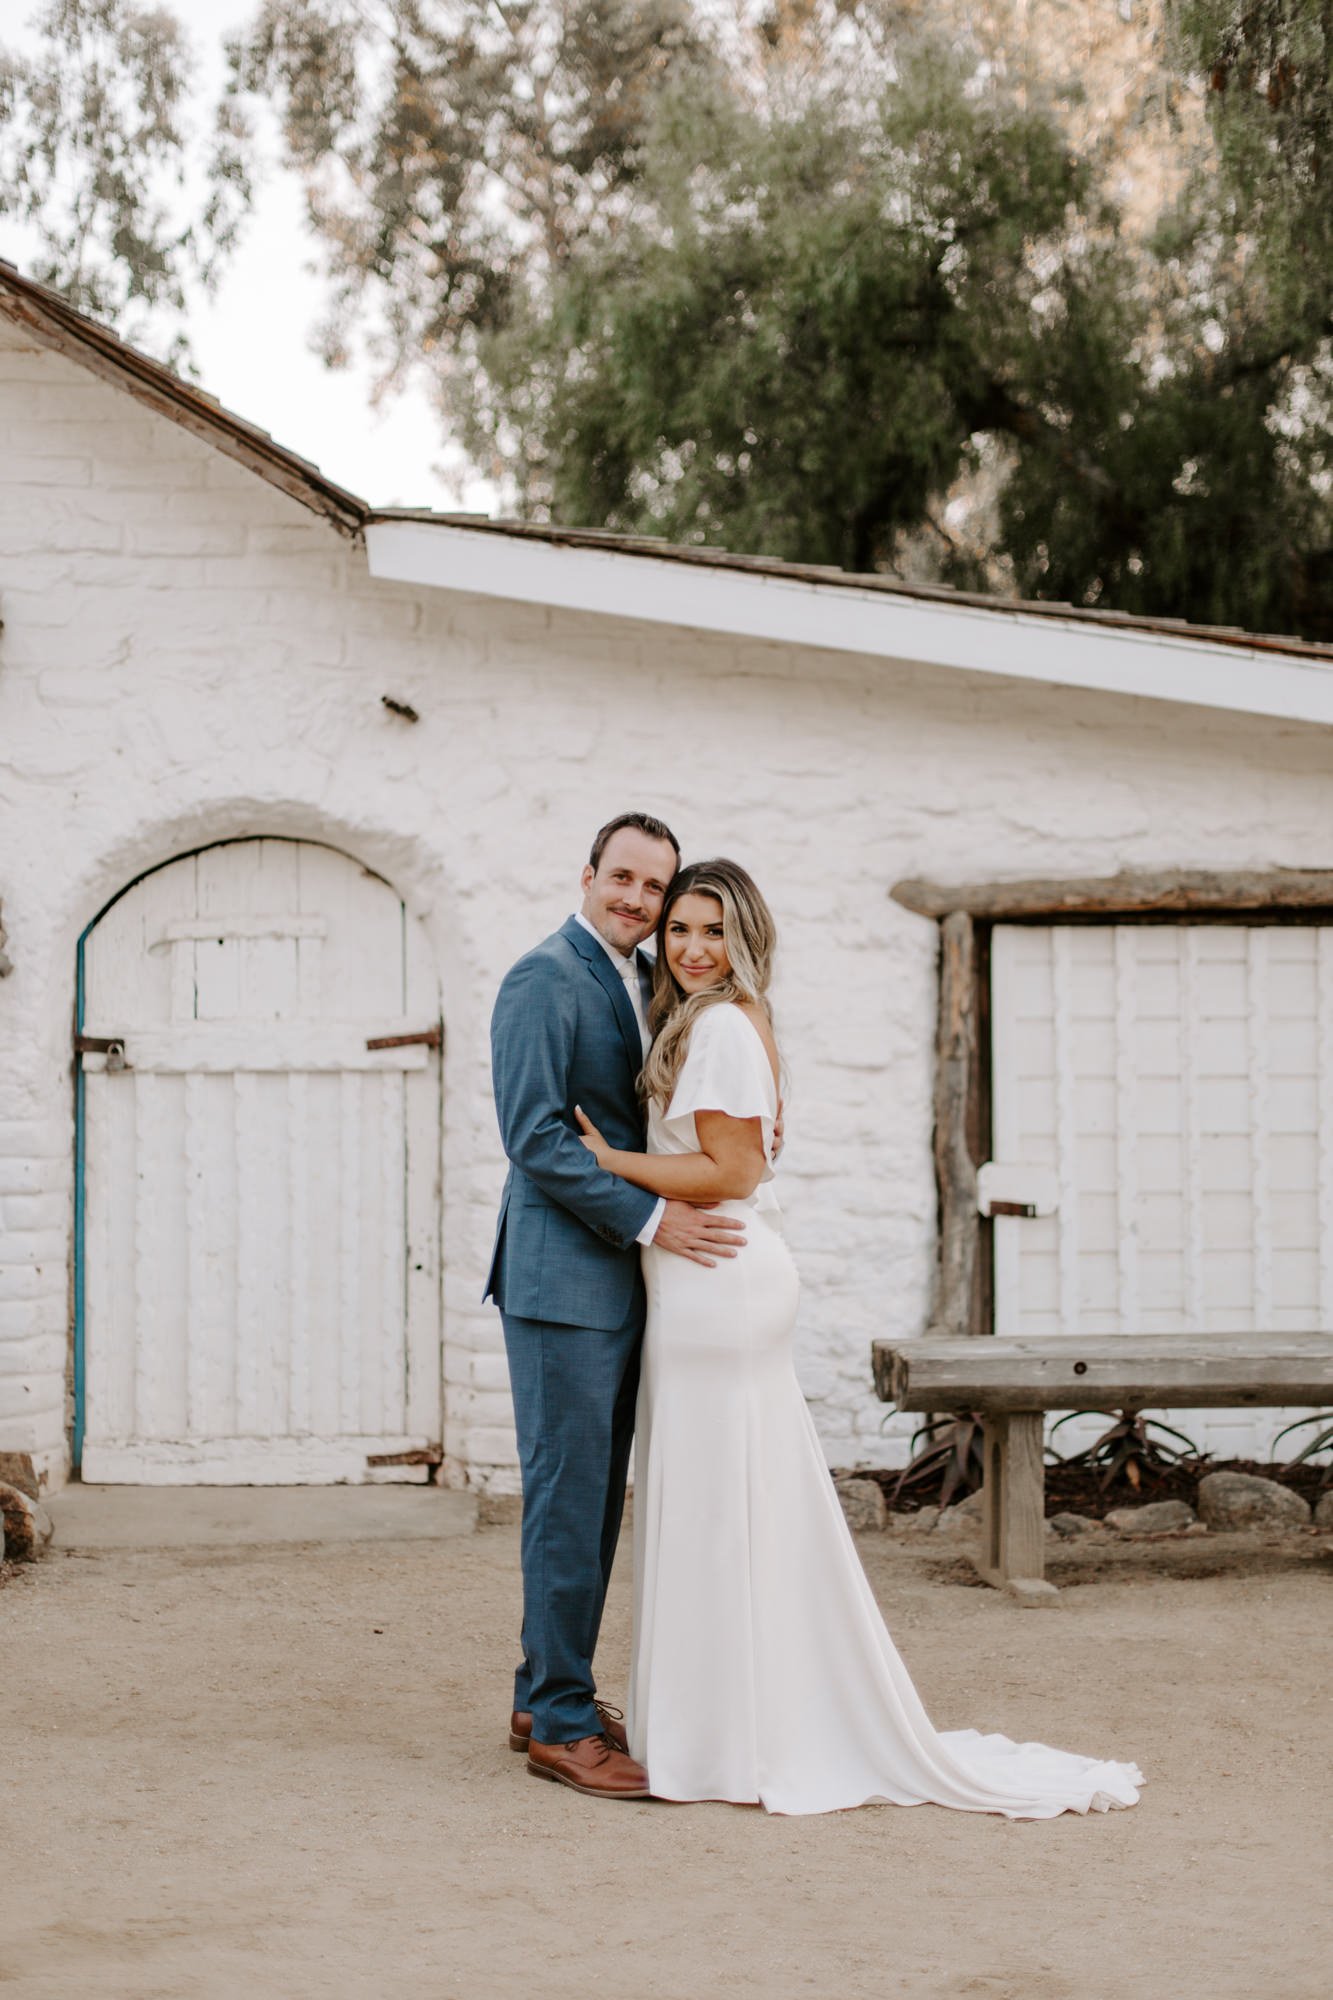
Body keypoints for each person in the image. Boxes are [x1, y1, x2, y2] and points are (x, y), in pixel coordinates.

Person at [574, 857, 1144, 1818]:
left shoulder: (716, 1027)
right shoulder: (718, 1023)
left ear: (745, 938)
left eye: (713, 930)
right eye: (679, 929)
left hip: (716, 1281)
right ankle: (726, 1728)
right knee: (728, 1509)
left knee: (719, 1510)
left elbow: (734, 1172)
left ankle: (722, 1740)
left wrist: (606, 1159)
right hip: (708, 1283)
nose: (692, 947)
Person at [486, 812, 748, 1801]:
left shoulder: (642, 977)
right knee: (566, 1502)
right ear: (588, 872)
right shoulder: (542, 976)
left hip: (618, 1284)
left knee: (592, 1501)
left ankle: (537, 1692)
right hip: (561, 1284)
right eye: (624, 877)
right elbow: (536, 1136)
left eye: (655, 885)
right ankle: (559, 1721)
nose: (638, 899)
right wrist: (652, 1217)